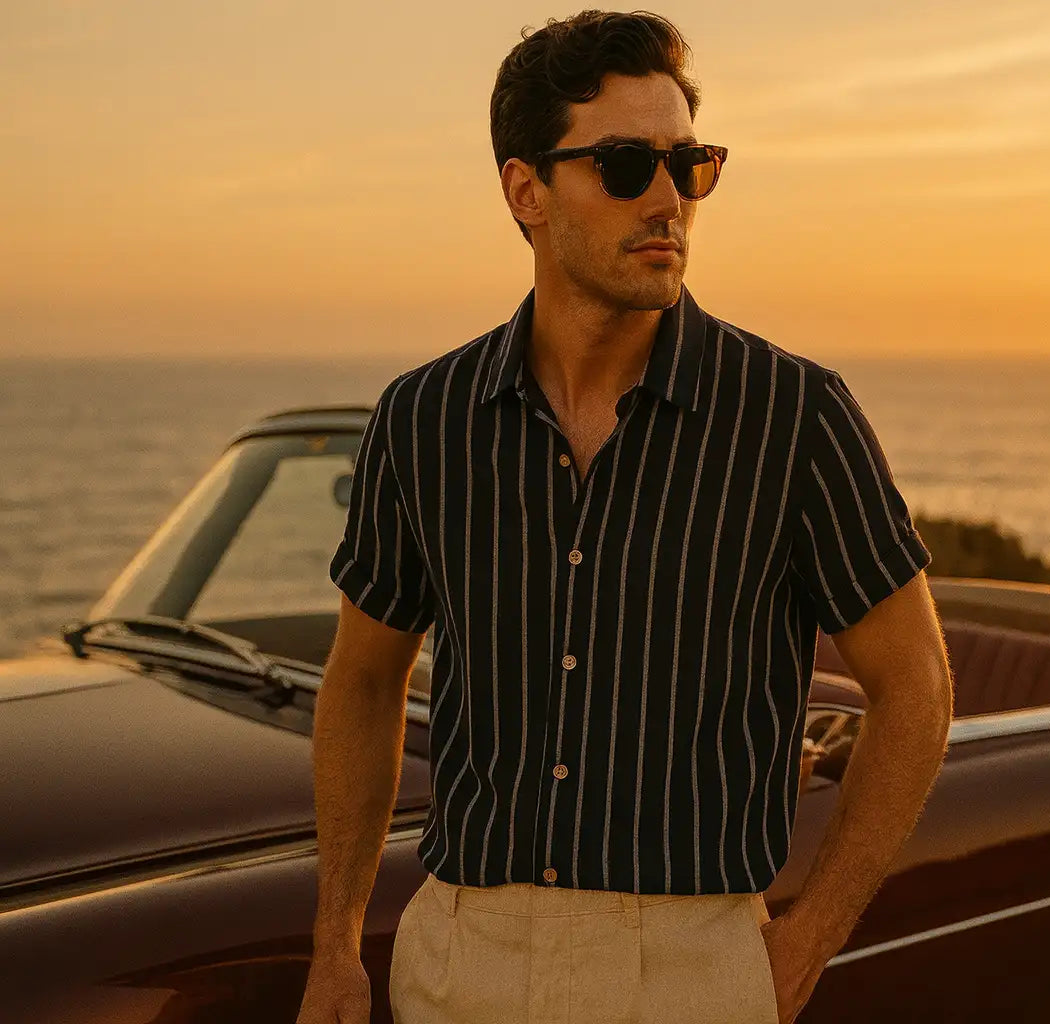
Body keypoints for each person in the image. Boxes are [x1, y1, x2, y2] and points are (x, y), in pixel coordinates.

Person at [295, 9, 952, 1024]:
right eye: (623, 165)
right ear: (527, 193)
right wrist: (336, 940)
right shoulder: (422, 420)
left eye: (689, 167)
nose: (667, 201)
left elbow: (915, 683)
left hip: (692, 970)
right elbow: (364, 679)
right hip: (460, 957)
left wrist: (806, 942)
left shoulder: (793, 415)